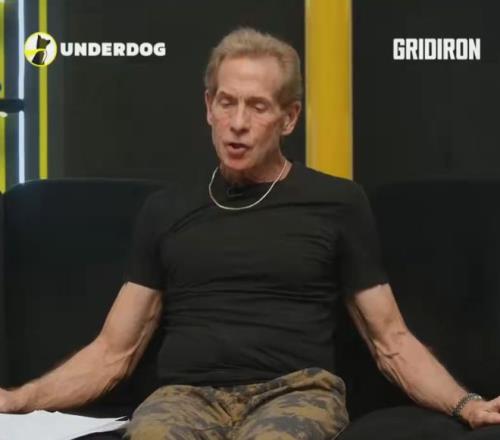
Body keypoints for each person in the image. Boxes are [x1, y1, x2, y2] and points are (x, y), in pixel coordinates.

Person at [1, 28, 500, 440]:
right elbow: (114, 352)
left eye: (258, 107)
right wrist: (20, 399)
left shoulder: (338, 203)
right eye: (227, 102)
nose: (237, 123)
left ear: (289, 117)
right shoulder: (166, 211)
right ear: (209, 107)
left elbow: (390, 341)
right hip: (184, 397)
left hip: (296, 392)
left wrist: (466, 405)